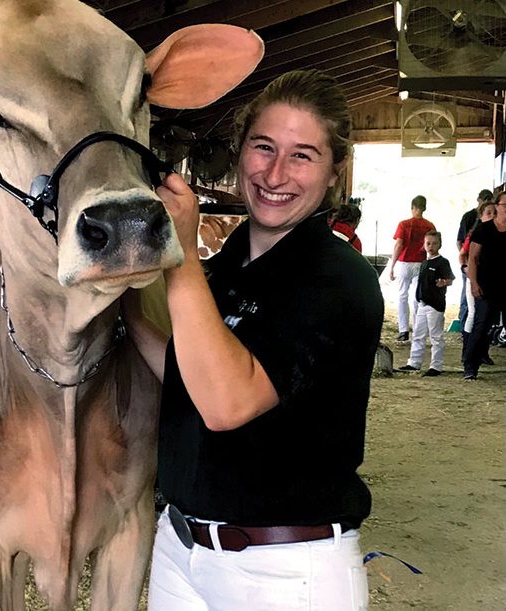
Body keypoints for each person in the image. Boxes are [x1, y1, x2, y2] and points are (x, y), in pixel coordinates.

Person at [124, 70, 384, 610]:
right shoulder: (225, 271)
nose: (275, 173)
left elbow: (225, 402)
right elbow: (187, 371)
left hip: (283, 570)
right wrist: (122, 311)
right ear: (240, 152)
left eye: (303, 155)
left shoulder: (339, 280)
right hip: (181, 548)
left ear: (334, 172)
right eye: (263, 147)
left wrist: (178, 256)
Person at [397, 231, 454, 377]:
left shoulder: (442, 262)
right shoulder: (424, 263)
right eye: (428, 243)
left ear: (440, 244)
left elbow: (450, 279)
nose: (431, 246)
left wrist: (444, 282)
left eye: (434, 243)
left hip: (435, 305)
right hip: (422, 304)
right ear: (424, 244)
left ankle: (436, 365)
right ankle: (414, 362)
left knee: (436, 336)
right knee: (418, 334)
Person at [463, 190, 506, 380]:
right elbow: (472, 258)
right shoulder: (484, 230)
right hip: (486, 285)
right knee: (481, 324)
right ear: (497, 207)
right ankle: (470, 365)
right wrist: (473, 283)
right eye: (505, 205)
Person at [389, 195, 435, 342]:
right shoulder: (430, 226)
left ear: (413, 207)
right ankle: (418, 330)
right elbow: (433, 246)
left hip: (404, 263)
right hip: (421, 263)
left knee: (402, 296)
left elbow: (399, 245)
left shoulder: (404, 224)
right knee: (417, 298)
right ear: (425, 208)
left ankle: (403, 331)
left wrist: (392, 265)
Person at [457, 189, 494, 328]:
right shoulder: (473, 227)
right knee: (470, 307)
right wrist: (466, 267)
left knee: (483, 311)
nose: (491, 216)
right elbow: (462, 247)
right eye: (488, 213)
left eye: (494, 213)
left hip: (488, 275)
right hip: (472, 272)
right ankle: (465, 331)